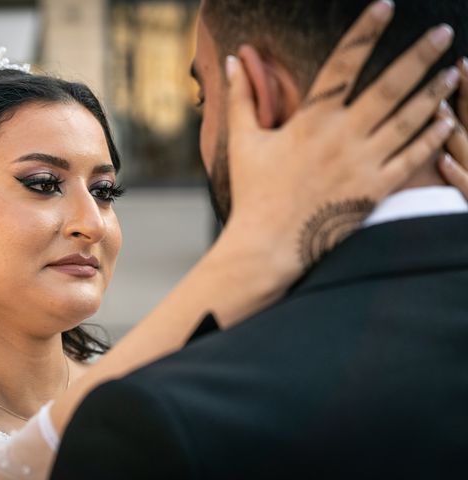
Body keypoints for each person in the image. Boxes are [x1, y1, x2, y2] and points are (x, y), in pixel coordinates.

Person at [0, 5, 462, 479]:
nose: (90, 222)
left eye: (105, 191)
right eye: (44, 184)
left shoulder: (154, 383)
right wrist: (255, 245)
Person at [51, 1, 468, 478]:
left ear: (263, 96)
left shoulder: (162, 420)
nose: (92, 223)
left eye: (204, 99)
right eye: (44, 184)